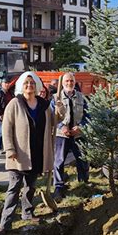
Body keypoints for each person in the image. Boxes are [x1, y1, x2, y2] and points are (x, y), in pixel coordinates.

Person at [0, 72, 64, 234]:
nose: (29, 85)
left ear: (37, 86)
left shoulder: (43, 104)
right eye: (26, 83)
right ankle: (4, 224)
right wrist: (10, 149)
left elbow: (55, 121)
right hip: (19, 155)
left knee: (30, 187)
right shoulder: (15, 103)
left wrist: (60, 109)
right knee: (14, 189)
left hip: (37, 153)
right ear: (21, 85)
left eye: (32, 83)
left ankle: (27, 213)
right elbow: (6, 128)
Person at [51, 72, 89, 201]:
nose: (69, 83)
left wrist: (81, 126)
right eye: (67, 81)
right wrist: (62, 126)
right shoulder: (56, 98)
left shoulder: (81, 97)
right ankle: (58, 187)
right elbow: (52, 117)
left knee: (82, 160)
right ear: (62, 83)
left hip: (78, 134)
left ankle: (83, 183)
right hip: (62, 135)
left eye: (71, 81)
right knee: (59, 161)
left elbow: (87, 115)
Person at [0, 77, 13, 151]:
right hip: (2, 115)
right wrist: (0, 114)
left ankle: (5, 147)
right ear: (2, 84)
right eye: (5, 83)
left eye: (8, 83)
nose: (7, 85)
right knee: (0, 132)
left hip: (9, 114)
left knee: (8, 132)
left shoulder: (10, 92)